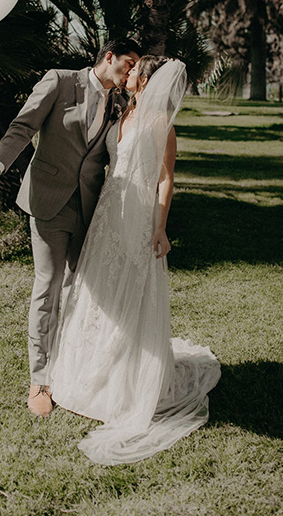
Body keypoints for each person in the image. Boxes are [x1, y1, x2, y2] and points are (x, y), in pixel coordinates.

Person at [47, 56, 221, 465]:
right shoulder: (122, 112)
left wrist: (160, 229)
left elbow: (165, 179)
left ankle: (124, 380)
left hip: (138, 216)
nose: (126, 75)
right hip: (109, 210)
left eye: (133, 70)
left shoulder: (161, 123)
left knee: (130, 289)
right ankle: (86, 369)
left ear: (145, 79)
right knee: (101, 290)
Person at [0, 39, 142, 416]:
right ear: (109, 57)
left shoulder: (120, 101)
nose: (130, 72)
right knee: (47, 288)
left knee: (86, 289)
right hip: (48, 202)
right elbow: (23, 126)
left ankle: (83, 369)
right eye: (127, 63)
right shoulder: (60, 81)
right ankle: (41, 380)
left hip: (92, 207)